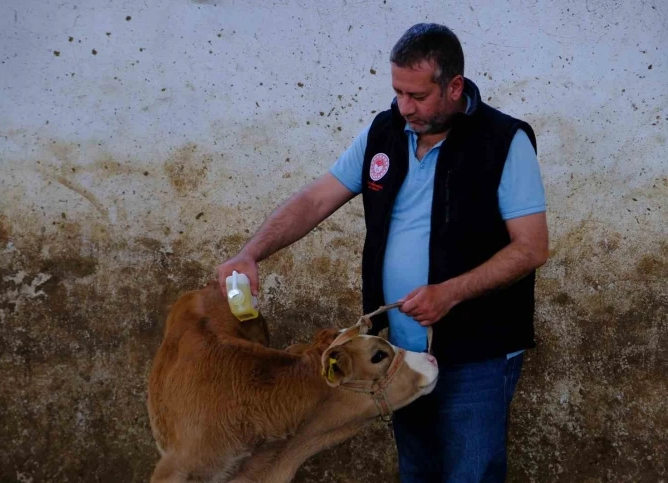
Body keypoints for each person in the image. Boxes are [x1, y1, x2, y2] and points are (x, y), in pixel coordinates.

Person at [217, 23, 548, 483]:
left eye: (417, 96)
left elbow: (531, 248)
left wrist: (450, 293)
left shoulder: (504, 141)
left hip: (479, 354)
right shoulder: (383, 132)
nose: (404, 107)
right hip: (398, 352)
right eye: (398, 93)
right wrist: (251, 252)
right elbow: (316, 199)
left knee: (471, 474)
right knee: (416, 470)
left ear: (454, 86)